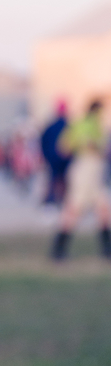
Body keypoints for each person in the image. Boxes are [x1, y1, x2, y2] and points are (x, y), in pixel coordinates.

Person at [51, 97, 111, 260]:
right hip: (86, 171)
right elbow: (65, 146)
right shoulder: (90, 124)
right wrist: (88, 145)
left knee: (103, 210)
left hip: (93, 173)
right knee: (74, 209)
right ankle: (58, 250)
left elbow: (62, 147)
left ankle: (106, 251)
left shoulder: (80, 124)